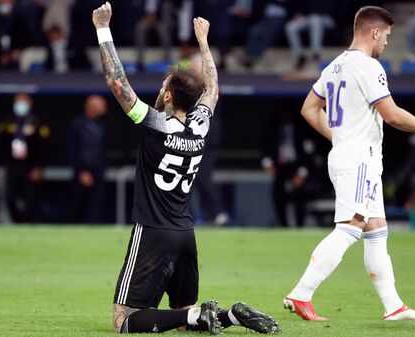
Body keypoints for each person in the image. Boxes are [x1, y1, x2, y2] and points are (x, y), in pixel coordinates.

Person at [92, 2, 280, 334]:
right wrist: (204, 43)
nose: (159, 90)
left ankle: (199, 316)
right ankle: (231, 317)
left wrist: (102, 28)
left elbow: (117, 84)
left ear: (166, 96)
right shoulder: (200, 126)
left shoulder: (154, 124)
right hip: (185, 232)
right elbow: (213, 90)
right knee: (184, 314)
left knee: (124, 320)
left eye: (163, 86)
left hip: (153, 230)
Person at [283, 6, 415, 321]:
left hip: (354, 156)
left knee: (376, 230)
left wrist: (339, 137)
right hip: (359, 160)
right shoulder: (369, 66)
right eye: (386, 34)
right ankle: (301, 293)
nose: (386, 41)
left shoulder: (334, 66)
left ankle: (393, 306)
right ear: (375, 32)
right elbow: (392, 114)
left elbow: (308, 108)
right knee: (350, 228)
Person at [0, 93, 50, 223]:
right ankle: (17, 223)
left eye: (23, 101)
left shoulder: (37, 122)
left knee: (30, 199)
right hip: (12, 165)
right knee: (9, 198)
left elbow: (44, 147)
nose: (20, 105)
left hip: (30, 166)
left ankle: (29, 225)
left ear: (30, 103)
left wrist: (39, 167)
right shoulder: (7, 121)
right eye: (17, 101)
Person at [67, 95, 108, 224]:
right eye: (99, 106)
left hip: (98, 172)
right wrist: (80, 171)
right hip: (82, 171)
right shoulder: (77, 125)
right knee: (77, 207)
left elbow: (103, 150)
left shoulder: (102, 126)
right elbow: (73, 150)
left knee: (95, 208)